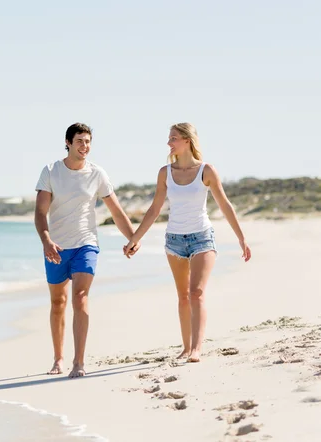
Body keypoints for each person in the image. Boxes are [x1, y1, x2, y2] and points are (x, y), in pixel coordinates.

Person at [123, 123, 251, 363]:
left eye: (173, 138)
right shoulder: (165, 173)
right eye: (169, 138)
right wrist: (134, 239)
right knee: (183, 296)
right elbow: (154, 209)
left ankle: (197, 349)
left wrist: (241, 238)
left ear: (187, 140)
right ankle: (185, 347)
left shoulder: (206, 170)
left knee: (197, 293)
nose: (169, 143)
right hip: (174, 240)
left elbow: (224, 204)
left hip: (202, 237)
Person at [35, 123, 139, 378]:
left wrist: (133, 238)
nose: (85, 146)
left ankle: (78, 362)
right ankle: (58, 359)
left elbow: (116, 211)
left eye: (88, 141)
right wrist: (46, 240)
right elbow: (40, 212)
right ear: (68, 143)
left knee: (80, 297)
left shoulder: (97, 174)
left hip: (86, 243)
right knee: (58, 302)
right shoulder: (51, 171)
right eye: (80, 141)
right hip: (57, 246)